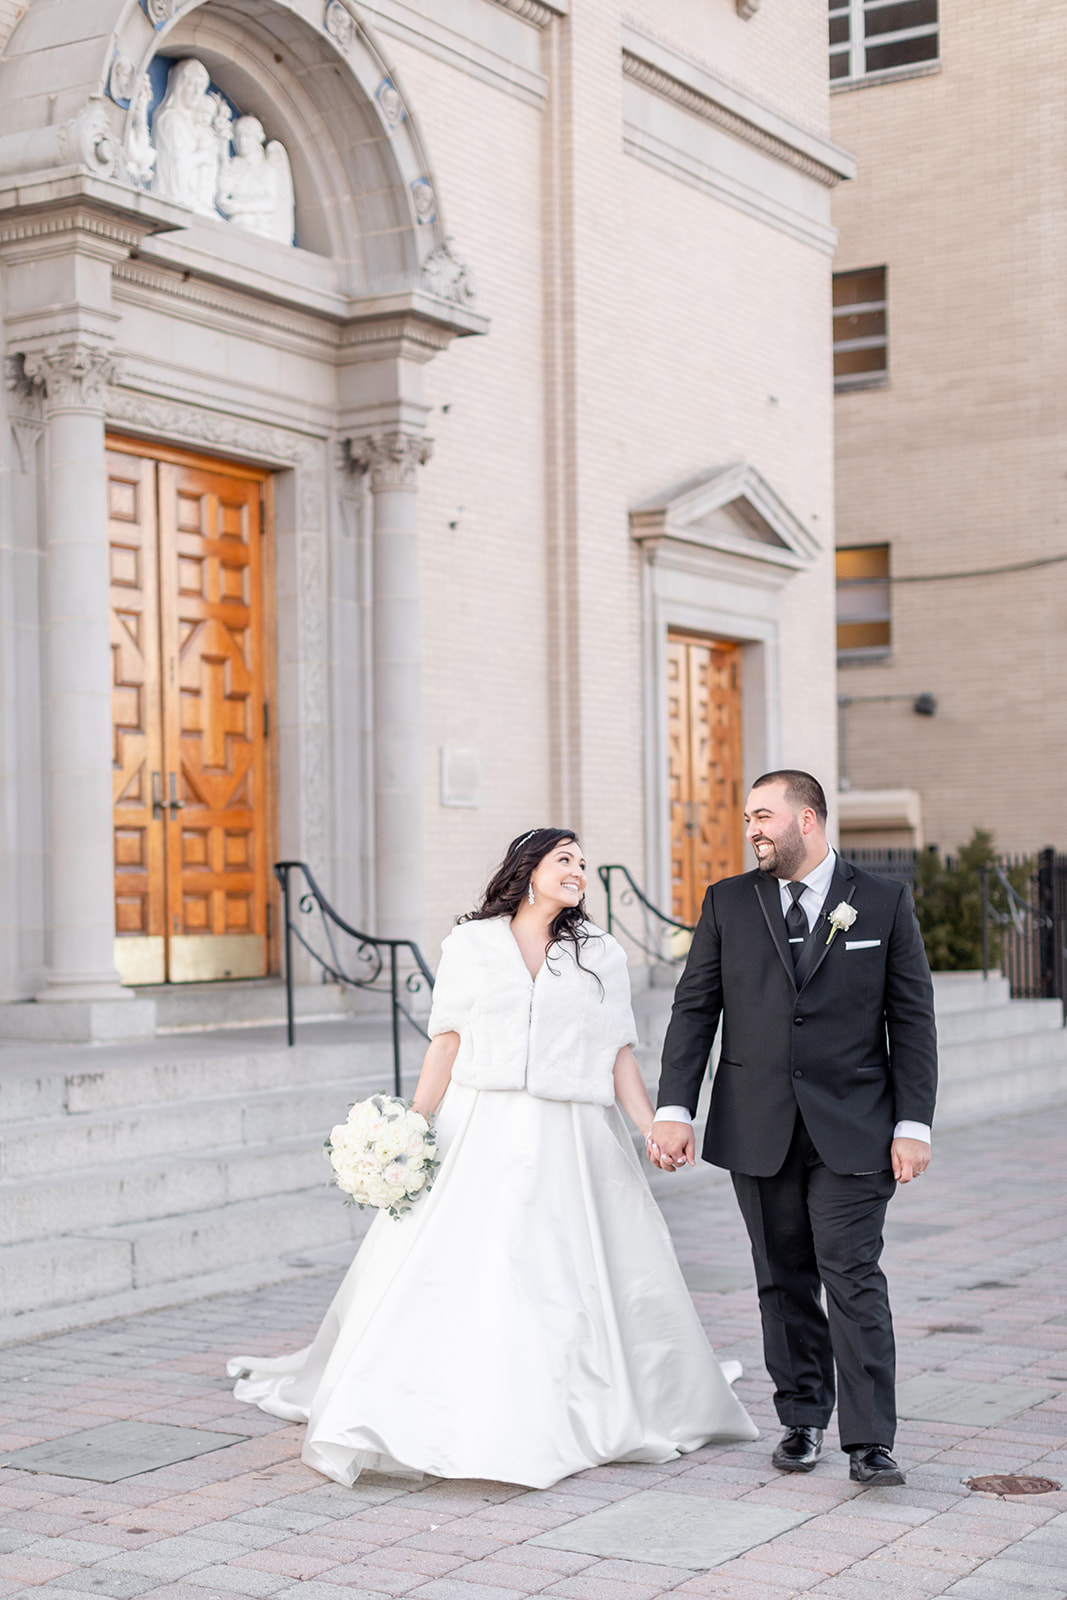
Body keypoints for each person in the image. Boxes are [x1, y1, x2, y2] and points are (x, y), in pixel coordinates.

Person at [228, 828, 757, 1488]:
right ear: (528, 868)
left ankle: (570, 1404)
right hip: (480, 1125)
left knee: (570, 1272)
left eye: (583, 864)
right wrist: (412, 1127)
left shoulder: (600, 952)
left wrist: (651, 1125)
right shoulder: (471, 945)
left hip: (572, 1135)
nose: (578, 871)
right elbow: (445, 1042)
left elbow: (617, 1051)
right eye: (564, 859)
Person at [651, 772, 937, 1487]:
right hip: (757, 1125)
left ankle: (869, 1439)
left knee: (852, 1277)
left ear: (805, 820)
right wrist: (674, 1108)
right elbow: (694, 1012)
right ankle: (802, 1418)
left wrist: (912, 1123)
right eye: (748, 817)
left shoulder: (882, 902)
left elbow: (911, 1021)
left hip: (855, 1129)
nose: (751, 829)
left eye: (762, 816)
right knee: (780, 1280)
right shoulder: (726, 903)